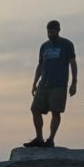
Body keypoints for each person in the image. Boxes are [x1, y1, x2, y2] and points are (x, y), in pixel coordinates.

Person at [24, 20, 77, 148]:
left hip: (58, 84)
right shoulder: (44, 46)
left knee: (56, 111)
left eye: (53, 30)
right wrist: (34, 83)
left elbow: (73, 63)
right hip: (44, 84)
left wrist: (74, 82)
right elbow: (40, 65)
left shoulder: (66, 44)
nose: (50, 33)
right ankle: (39, 138)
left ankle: (51, 139)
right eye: (48, 31)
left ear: (58, 30)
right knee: (35, 109)